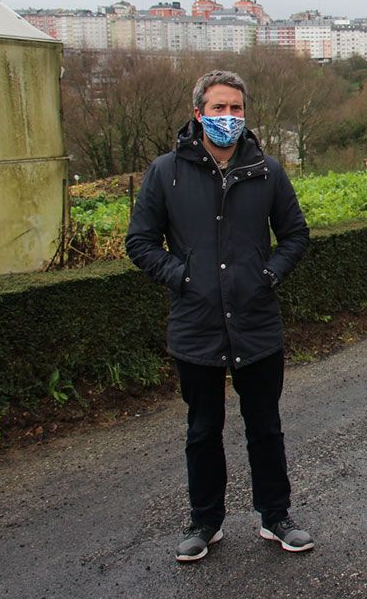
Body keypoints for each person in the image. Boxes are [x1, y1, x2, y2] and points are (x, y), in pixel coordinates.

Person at [125, 70, 313, 562]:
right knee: (203, 429)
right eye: (218, 108)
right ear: (198, 114)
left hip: (256, 322)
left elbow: (295, 235)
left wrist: (267, 275)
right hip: (197, 324)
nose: (228, 117)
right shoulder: (166, 172)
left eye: (235, 108)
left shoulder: (268, 171)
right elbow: (139, 242)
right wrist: (183, 277)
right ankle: (205, 522)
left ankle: (276, 517)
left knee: (265, 426)